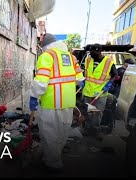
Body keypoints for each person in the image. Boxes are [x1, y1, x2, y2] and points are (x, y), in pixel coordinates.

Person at [29, 33, 85, 172]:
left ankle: (52, 164)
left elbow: (41, 81)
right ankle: (54, 158)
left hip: (51, 104)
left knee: (49, 134)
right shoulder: (71, 58)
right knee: (62, 133)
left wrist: (34, 96)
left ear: (45, 46)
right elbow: (79, 80)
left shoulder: (47, 56)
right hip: (67, 103)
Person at [82, 43, 118, 140]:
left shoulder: (108, 62)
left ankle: (95, 131)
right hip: (88, 91)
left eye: (93, 53)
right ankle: (87, 129)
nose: (91, 54)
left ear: (99, 52)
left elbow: (115, 75)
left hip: (100, 93)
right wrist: (83, 81)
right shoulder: (88, 59)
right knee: (88, 111)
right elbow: (85, 72)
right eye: (91, 52)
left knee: (97, 113)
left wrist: (109, 84)